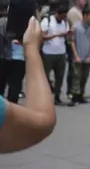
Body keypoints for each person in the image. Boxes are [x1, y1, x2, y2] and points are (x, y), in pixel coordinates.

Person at [0, 17, 56, 153]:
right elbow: (42, 122)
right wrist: (31, 47)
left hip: (16, 60)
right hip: (11, 57)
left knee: (15, 85)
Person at [40, 5, 71, 105]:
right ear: (58, 14)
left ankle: (57, 96)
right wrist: (56, 35)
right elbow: (42, 36)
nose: (63, 18)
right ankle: (43, 97)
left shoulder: (65, 22)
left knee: (60, 76)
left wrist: (68, 35)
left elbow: (66, 36)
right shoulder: (47, 21)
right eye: (62, 16)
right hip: (48, 53)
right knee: (45, 76)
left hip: (61, 53)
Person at [68, 6, 90, 106]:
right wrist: (76, 56)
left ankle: (81, 95)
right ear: (85, 15)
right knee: (76, 77)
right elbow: (72, 42)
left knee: (84, 77)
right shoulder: (76, 27)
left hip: (87, 57)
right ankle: (74, 96)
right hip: (78, 57)